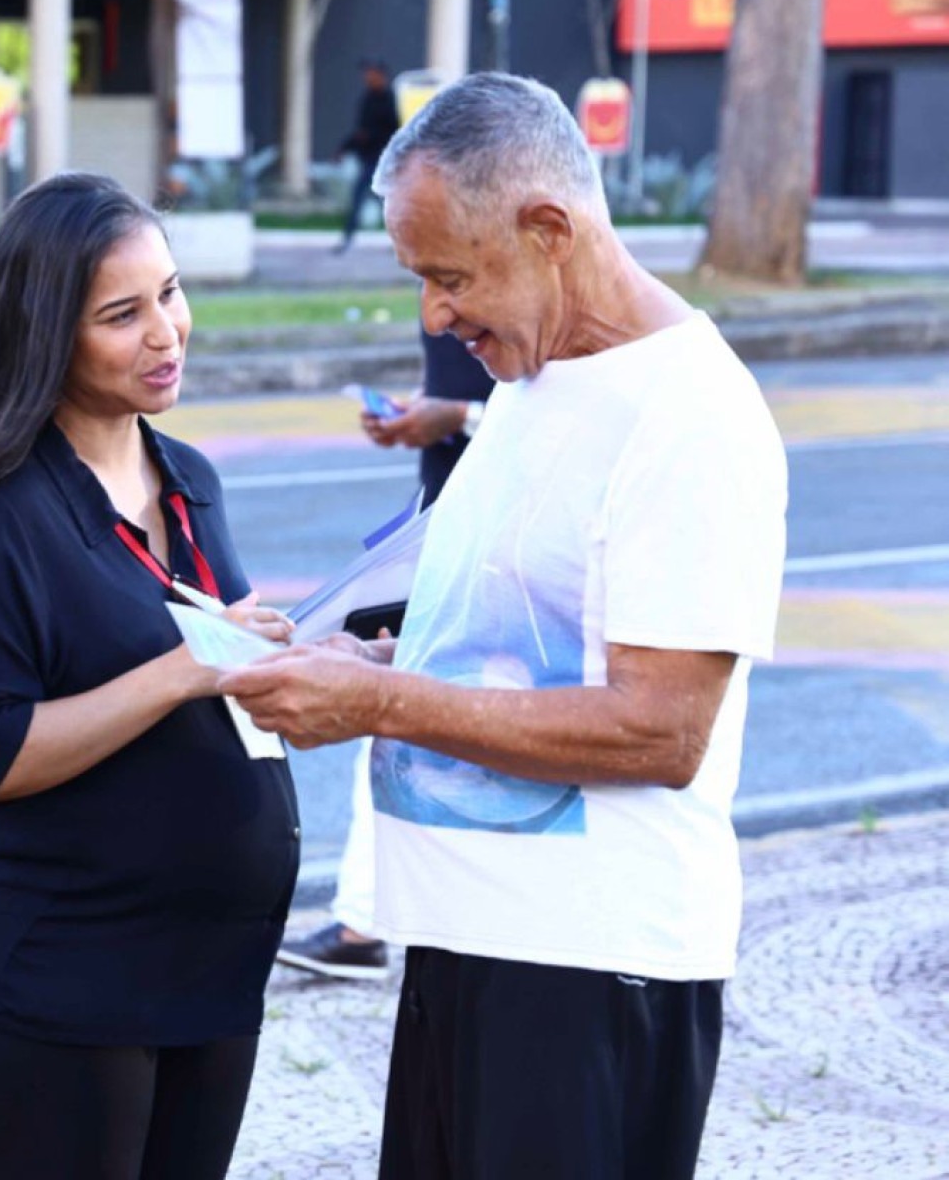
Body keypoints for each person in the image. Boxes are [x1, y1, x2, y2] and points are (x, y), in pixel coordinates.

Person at [222, 73, 787, 1179]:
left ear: (547, 230)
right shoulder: (534, 380)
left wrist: (383, 700)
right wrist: (369, 658)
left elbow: (660, 731)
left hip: (587, 973)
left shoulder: (691, 416)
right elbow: (520, 651)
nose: (435, 316)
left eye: (448, 276)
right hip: (474, 948)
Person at [0, 172, 301, 1180]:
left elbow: (224, 676)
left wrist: (329, 671)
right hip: (58, 975)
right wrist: (183, 670)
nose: (167, 331)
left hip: (206, 965)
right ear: (47, 335)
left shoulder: (186, 477)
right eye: (124, 314)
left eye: (170, 293)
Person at [276, 329, 493, 982]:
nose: (433, 303)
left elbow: (551, 410)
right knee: (399, 704)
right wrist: (424, 413)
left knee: (416, 708)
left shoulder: (537, 297)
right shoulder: (460, 290)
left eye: (443, 278)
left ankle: (368, 922)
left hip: (489, 533)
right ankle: (365, 920)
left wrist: (459, 415)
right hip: (444, 516)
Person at [334, 59, 400, 254]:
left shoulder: (390, 100)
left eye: (372, 74)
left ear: (381, 76)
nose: (368, 78)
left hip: (384, 159)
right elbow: (361, 131)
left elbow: (394, 131)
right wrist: (344, 148)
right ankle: (347, 239)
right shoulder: (367, 99)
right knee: (359, 198)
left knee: (390, 203)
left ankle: (399, 242)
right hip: (368, 158)